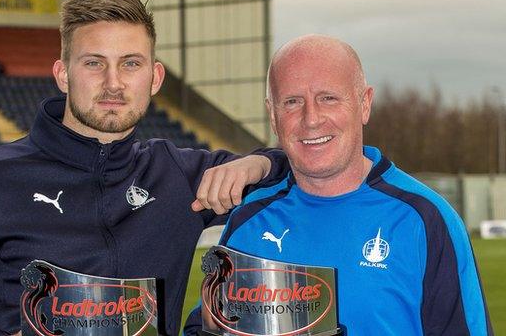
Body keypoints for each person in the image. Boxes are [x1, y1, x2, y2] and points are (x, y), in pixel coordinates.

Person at [0, 0, 287, 336]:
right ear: (63, 74)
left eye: (131, 63)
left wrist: (259, 164)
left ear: (155, 77)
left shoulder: (180, 174)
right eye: (94, 63)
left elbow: (308, 168)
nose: (113, 83)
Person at [184, 35, 493, 335]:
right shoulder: (248, 219)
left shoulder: (426, 219)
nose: (311, 118)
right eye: (292, 102)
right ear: (273, 116)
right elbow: (210, 324)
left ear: (364, 104)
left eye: (328, 98)